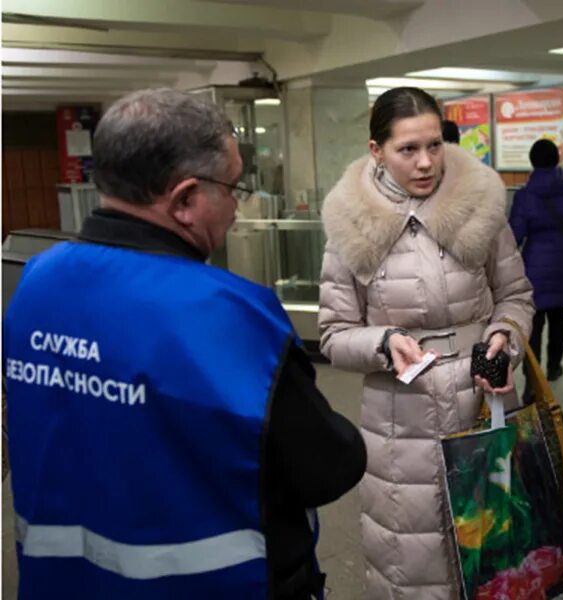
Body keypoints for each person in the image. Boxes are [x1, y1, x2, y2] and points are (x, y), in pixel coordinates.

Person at [3, 88, 367, 600]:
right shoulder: (225, 312)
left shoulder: (35, 282)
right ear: (186, 200)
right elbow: (327, 466)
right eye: (234, 188)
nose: (238, 210)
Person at [318, 86, 533, 599]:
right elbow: (332, 333)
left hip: (485, 403)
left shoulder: (479, 202)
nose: (425, 162)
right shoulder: (351, 222)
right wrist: (382, 342)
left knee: (496, 554)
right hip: (400, 420)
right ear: (377, 151)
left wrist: (505, 335)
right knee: (413, 561)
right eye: (407, 149)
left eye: (434, 145)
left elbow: (516, 295)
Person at [509, 138, 563, 382]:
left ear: (532, 162)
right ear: (557, 159)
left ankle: (532, 379)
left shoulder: (524, 196)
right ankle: (555, 366)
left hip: (534, 266)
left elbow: (514, 235)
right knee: (559, 317)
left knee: (533, 321)